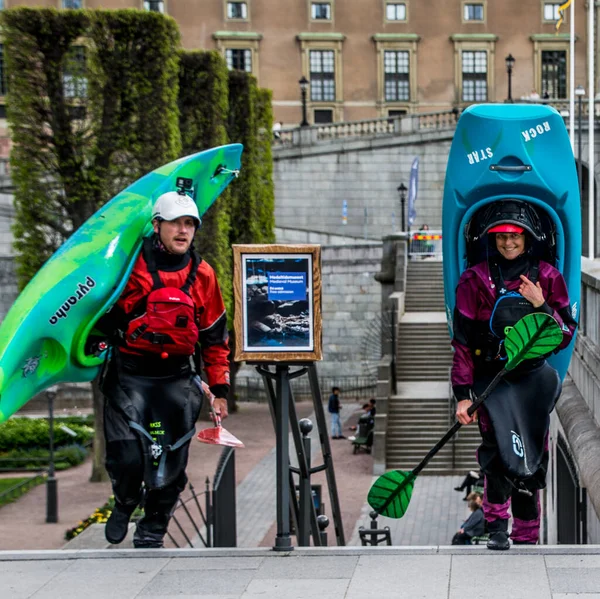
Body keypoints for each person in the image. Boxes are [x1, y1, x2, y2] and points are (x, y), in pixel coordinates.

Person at [95, 188, 231, 548]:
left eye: (190, 224)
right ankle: (125, 502)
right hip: (130, 375)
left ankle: (152, 531)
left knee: (169, 469)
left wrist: (219, 390)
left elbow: (215, 338)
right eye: (175, 223)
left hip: (177, 380)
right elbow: (99, 316)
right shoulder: (128, 265)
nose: (183, 231)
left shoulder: (203, 275)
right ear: (157, 226)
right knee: (125, 456)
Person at [452, 199, 577, 551]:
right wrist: (463, 394)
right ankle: (495, 528)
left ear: (528, 237)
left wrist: (541, 304)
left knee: (532, 458)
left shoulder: (548, 278)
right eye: (501, 236)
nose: (508, 243)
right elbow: (461, 342)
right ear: (492, 238)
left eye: (515, 236)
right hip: (491, 381)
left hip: (533, 380)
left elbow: (565, 332)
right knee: (495, 455)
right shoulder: (473, 280)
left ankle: (526, 535)